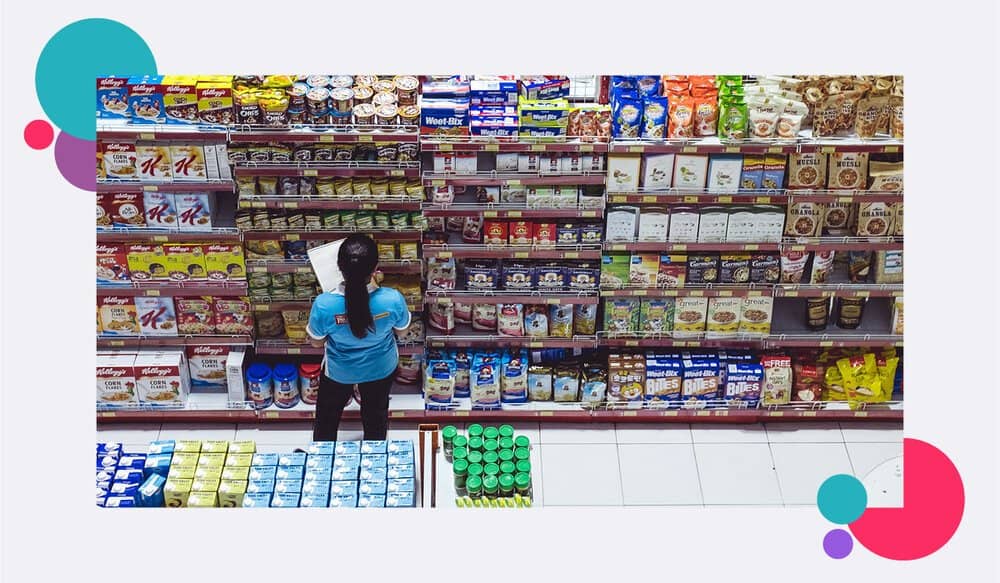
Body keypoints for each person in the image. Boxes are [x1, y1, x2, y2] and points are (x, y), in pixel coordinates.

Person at [307, 234, 410, 441]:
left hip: (339, 371)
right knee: (376, 416)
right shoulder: (392, 299)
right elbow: (402, 332)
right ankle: (374, 453)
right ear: (375, 268)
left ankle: (323, 456)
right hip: (380, 368)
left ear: (339, 267)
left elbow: (317, 342)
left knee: (327, 418)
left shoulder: (324, 304)